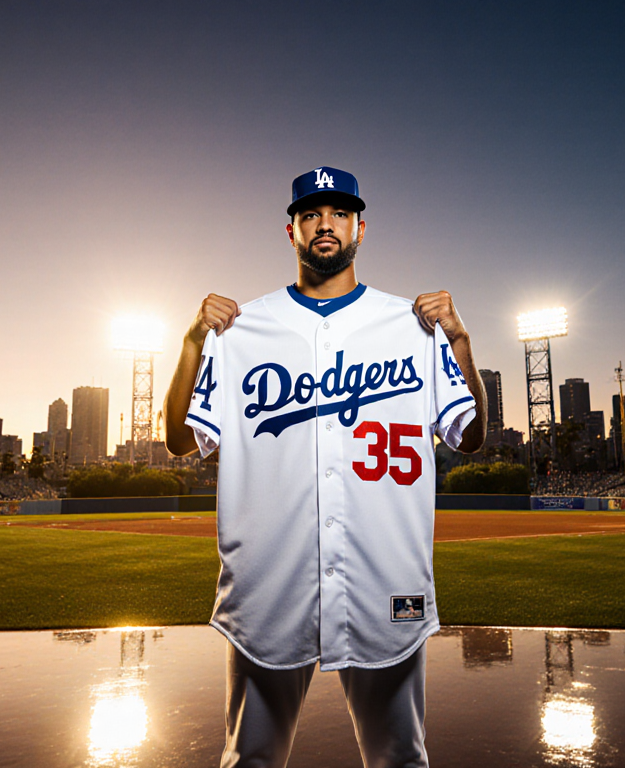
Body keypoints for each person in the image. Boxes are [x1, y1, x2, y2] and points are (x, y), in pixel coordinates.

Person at [164, 166, 487, 768]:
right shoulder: (243, 328)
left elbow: (470, 437)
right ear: (291, 232)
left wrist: (460, 341)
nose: (325, 224)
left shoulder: (411, 325)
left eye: (338, 213)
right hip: (269, 582)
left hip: (384, 575)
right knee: (250, 759)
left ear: (360, 226)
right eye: (310, 214)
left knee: (401, 760)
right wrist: (191, 343)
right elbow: (180, 440)